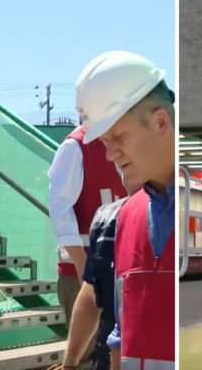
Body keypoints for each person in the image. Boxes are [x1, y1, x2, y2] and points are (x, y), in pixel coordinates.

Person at [72, 51, 175, 370]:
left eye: (118, 137)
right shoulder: (126, 217)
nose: (110, 154)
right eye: (104, 142)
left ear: (161, 121)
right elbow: (122, 334)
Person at [48, 124, 126, 368]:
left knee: (107, 351)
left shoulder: (121, 142)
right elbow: (59, 207)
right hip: (81, 273)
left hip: (113, 271)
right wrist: (82, 263)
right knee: (85, 356)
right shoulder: (76, 147)